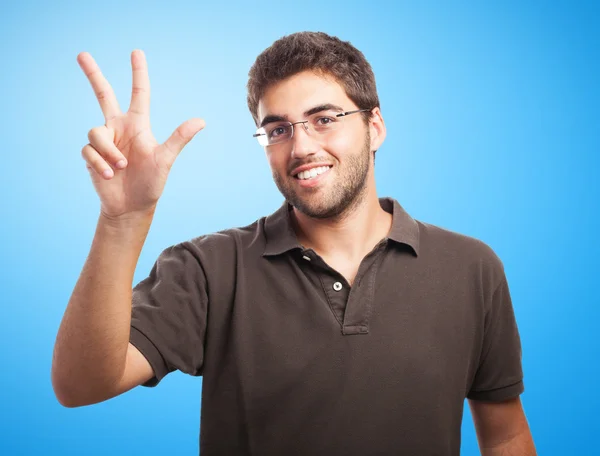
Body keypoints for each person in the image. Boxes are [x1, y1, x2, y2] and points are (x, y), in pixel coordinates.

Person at [52, 32, 536, 455]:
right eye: (279, 129)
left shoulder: (471, 267)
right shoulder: (208, 268)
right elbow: (80, 384)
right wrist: (124, 220)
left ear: (375, 127)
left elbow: (504, 437)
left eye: (324, 118)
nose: (301, 147)